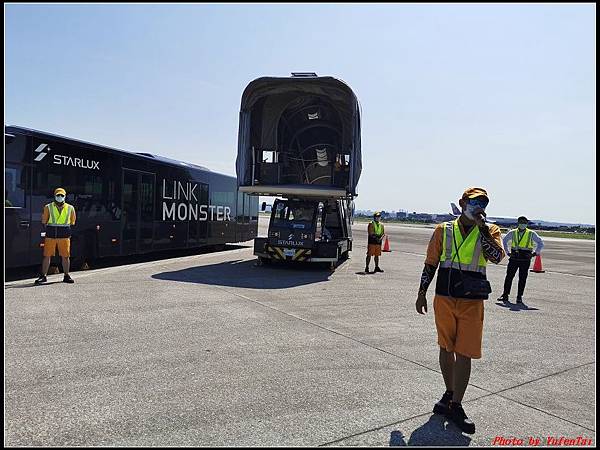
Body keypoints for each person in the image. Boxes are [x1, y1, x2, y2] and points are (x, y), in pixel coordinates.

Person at [415, 187, 505, 434]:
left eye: (484, 203)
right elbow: (431, 263)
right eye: (475, 202)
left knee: (464, 353)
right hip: (444, 297)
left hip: (472, 301)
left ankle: (456, 404)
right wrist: (421, 292)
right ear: (463, 202)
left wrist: (483, 228)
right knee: (446, 348)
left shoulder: (491, 230)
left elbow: (497, 257)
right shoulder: (443, 230)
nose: (480, 207)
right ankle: (449, 392)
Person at [497, 216, 544, 304]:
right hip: (514, 257)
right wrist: (507, 252)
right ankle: (505, 295)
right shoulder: (513, 232)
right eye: (521, 222)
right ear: (518, 223)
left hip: (525, 258)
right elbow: (504, 241)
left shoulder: (531, 233)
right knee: (509, 277)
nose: (523, 224)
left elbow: (540, 243)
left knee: (522, 278)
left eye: (524, 222)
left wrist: (535, 253)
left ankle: (519, 296)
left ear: (527, 223)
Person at [35, 188, 77, 284]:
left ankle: (66, 275)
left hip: (64, 235)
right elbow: (44, 221)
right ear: (54, 196)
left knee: (66, 256)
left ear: (65, 196)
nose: (60, 197)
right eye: (58, 195)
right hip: (51, 235)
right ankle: (43, 276)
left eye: (62, 195)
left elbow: (72, 221)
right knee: (47, 256)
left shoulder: (70, 208)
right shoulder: (48, 207)